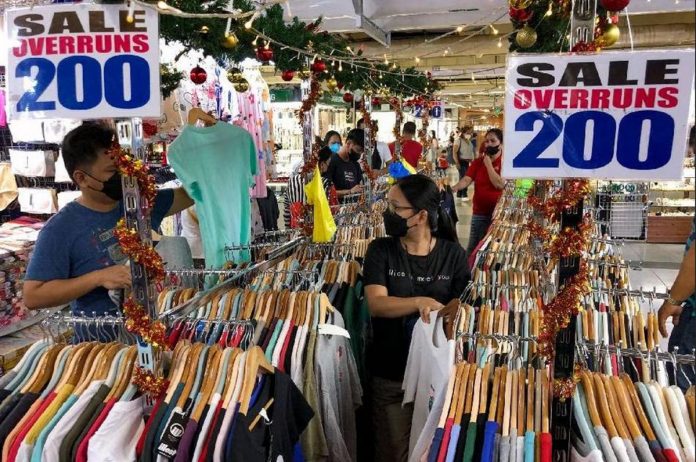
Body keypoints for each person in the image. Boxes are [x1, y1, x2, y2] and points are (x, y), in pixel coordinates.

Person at [23, 123, 194, 316]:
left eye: (124, 166)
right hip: (103, 339)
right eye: (113, 171)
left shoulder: (138, 203)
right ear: (82, 178)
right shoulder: (61, 229)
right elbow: (32, 296)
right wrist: (97, 278)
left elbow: (191, 194)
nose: (123, 176)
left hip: (157, 330)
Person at [363, 174, 470, 462]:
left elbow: (464, 311)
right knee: (393, 452)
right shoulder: (380, 251)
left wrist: (448, 311)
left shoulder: (454, 256)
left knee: (431, 453)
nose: (388, 213)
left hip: (438, 379)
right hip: (390, 373)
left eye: (395, 208)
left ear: (421, 215)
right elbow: (377, 304)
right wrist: (419, 302)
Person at [452, 128, 505, 258]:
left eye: (493, 141)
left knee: (492, 251)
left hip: (498, 215)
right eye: (487, 141)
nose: (489, 144)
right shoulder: (478, 162)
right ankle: (467, 274)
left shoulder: (505, 164)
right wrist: (454, 188)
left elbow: (499, 184)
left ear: (501, 144)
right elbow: (467, 179)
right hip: (479, 213)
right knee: (473, 248)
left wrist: (489, 165)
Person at [284, 146, 335, 228]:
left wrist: (288, 233)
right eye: (328, 164)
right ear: (322, 164)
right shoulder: (326, 184)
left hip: (295, 233)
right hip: (318, 234)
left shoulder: (291, 182)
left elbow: (287, 213)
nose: (327, 168)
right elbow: (332, 213)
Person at [325, 128, 365, 201]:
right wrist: (349, 192)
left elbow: (359, 188)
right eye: (358, 150)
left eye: (361, 152)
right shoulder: (331, 162)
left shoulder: (355, 164)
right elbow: (325, 192)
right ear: (348, 143)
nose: (360, 154)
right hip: (336, 210)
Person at [453, 126, 475, 199]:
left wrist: (472, 160)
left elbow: (470, 152)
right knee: (466, 178)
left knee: (462, 177)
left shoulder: (469, 141)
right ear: (463, 133)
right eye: (468, 133)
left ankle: (459, 194)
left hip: (467, 162)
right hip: (461, 161)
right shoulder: (458, 141)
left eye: (470, 133)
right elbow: (454, 152)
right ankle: (464, 194)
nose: (469, 134)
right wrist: (457, 162)